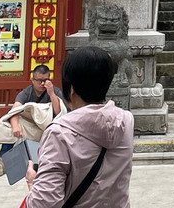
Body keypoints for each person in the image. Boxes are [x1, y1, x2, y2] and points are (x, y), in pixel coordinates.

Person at [25, 46, 134, 208]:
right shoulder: (126, 121)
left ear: (71, 89)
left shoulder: (59, 133)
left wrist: (33, 182)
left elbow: (45, 203)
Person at [0, 65, 65, 177]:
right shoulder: (25, 93)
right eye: (39, 81)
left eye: (45, 80)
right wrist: (15, 127)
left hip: (48, 126)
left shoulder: (55, 91)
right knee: (8, 126)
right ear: (33, 80)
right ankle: (2, 161)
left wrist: (51, 93)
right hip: (30, 125)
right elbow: (14, 111)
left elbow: (59, 111)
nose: (42, 84)